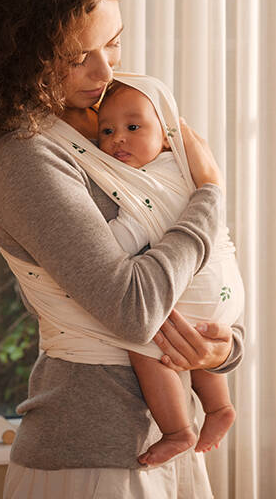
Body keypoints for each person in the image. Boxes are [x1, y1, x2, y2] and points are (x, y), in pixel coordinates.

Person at [0, 0, 245, 499]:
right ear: (24, 53)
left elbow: (191, 277)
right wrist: (211, 196)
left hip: (169, 447)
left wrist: (221, 349)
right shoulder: (24, 156)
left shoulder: (116, 120)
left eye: (113, 45)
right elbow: (132, 308)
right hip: (91, 459)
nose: (103, 73)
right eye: (78, 57)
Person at [89, 76, 243, 465]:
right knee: (196, 340)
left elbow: (130, 232)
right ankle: (219, 406)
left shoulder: (147, 178)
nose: (117, 139)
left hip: (197, 280)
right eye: (106, 130)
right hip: (226, 284)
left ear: (168, 135)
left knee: (147, 347)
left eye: (133, 127)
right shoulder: (189, 169)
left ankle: (177, 430)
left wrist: (99, 243)